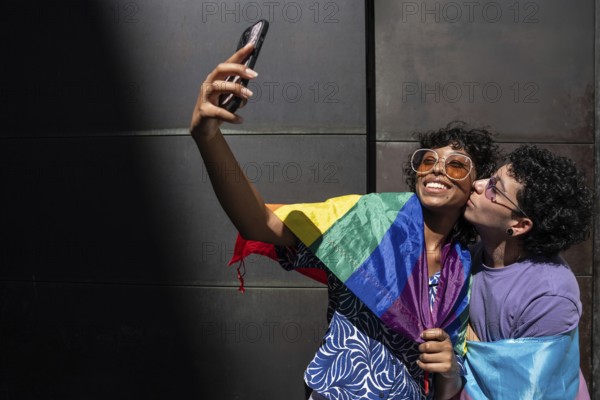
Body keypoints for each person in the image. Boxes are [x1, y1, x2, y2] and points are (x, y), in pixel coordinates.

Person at [191, 43, 500, 399]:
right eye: (428, 161)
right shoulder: (366, 221)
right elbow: (259, 223)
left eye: (456, 164)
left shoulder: (464, 268)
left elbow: (448, 389)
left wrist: (448, 370)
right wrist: (208, 138)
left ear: (476, 183)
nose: (438, 171)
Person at [458, 145, 593, 399]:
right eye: (490, 177)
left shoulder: (550, 295)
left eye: (494, 189)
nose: (477, 184)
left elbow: (521, 391)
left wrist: (466, 342)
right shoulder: (468, 258)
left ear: (519, 225)